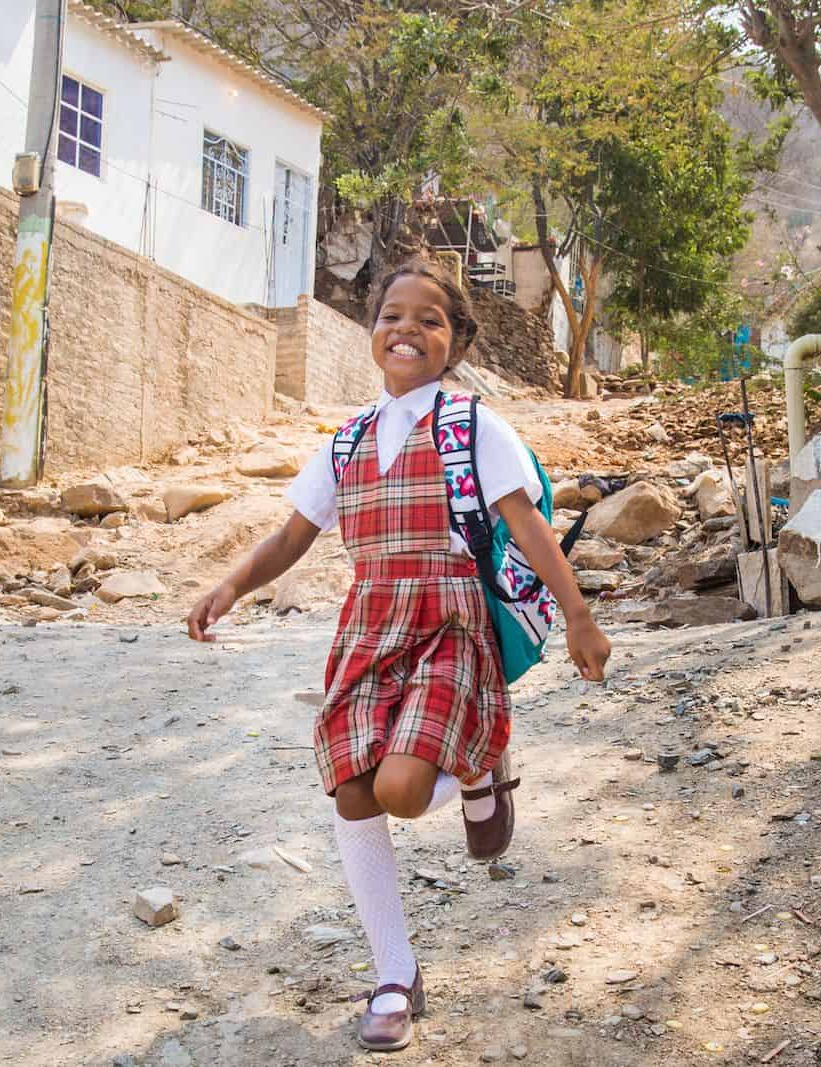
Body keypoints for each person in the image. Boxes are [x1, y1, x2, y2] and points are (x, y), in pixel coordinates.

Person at [186, 259, 612, 1053]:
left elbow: (527, 528)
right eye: (391, 314)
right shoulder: (346, 440)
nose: (407, 329)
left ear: (456, 342)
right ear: (372, 331)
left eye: (430, 319)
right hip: (370, 626)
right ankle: (394, 972)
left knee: (405, 791)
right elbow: (291, 535)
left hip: (450, 622)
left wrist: (580, 616)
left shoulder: (473, 428)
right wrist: (229, 587)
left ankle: (482, 761)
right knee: (352, 791)